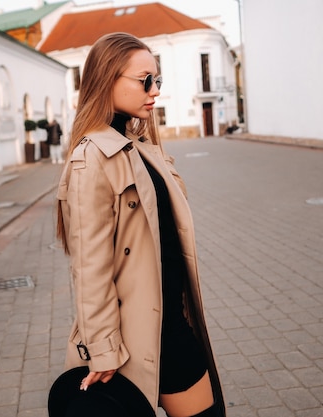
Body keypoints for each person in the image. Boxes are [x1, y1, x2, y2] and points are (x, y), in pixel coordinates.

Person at [54, 32, 225, 417]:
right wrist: (101, 349)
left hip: (171, 323)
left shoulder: (139, 147)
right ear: (108, 79)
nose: (154, 90)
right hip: (132, 336)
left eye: (157, 80)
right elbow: (90, 268)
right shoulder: (92, 158)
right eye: (144, 80)